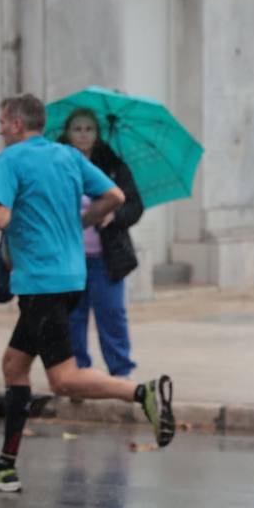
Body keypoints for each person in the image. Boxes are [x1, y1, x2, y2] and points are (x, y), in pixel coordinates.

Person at [0, 94, 174, 493]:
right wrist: (83, 221)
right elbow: (114, 197)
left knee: (63, 379)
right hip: (71, 277)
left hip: (40, 283)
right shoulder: (68, 157)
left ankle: (142, 392)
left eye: (0, 121)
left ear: (14, 123)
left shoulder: (9, 160)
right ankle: (6, 466)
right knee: (14, 364)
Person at [57, 108, 143, 378]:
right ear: (68, 134)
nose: (83, 135)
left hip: (107, 258)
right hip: (70, 259)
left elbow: (134, 206)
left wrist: (114, 215)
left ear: (97, 134)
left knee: (112, 314)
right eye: (77, 129)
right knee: (73, 317)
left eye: (89, 129)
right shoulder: (58, 165)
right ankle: (78, 371)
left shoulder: (113, 166)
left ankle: (121, 371)